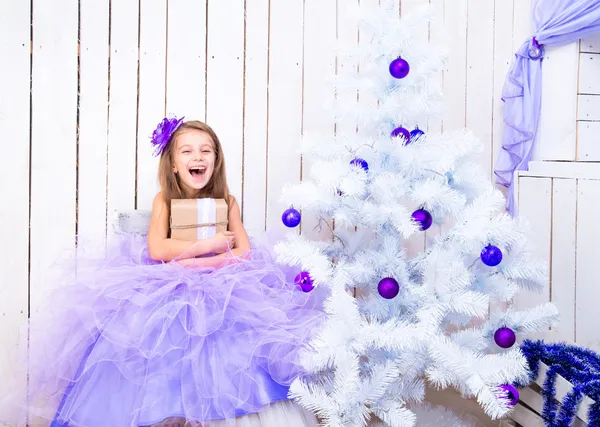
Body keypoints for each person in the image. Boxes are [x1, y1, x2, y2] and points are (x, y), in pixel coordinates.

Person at [0, 117, 324, 427]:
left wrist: (203, 264)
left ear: (216, 160)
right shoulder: (164, 200)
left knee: (230, 347)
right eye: (187, 151)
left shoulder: (227, 201)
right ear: (173, 163)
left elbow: (243, 251)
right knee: (162, 341)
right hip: (168, 282)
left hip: (226, 283)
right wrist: (204, 246)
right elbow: (158, 249)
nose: (197, 156)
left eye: (205, 150)